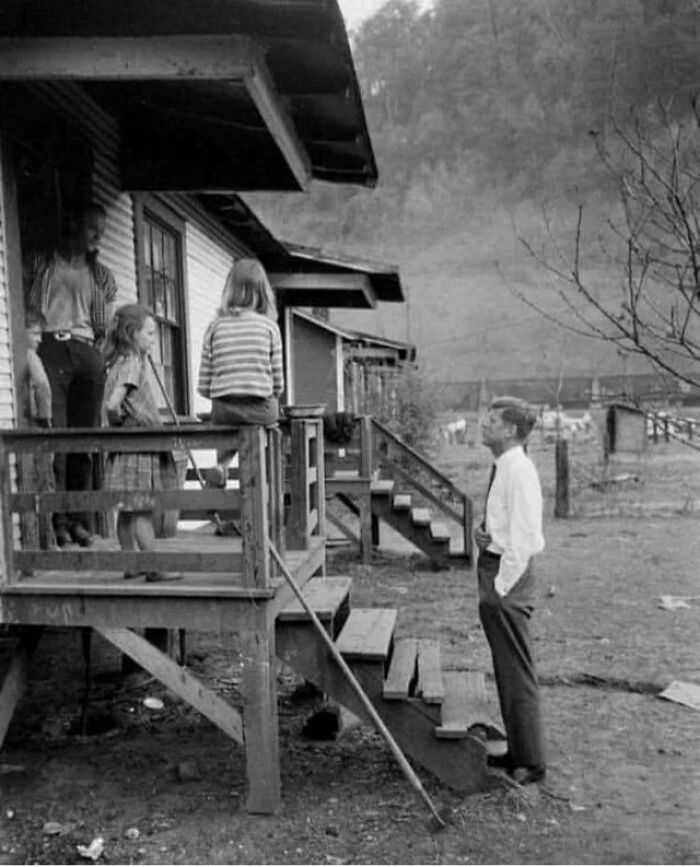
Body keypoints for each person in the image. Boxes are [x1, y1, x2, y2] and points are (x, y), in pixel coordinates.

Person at [27, 200, 118, 548]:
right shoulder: (41, 262)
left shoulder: (102, 275)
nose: (98, 236)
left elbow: (105, 324)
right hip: (50, 346)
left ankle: (80, 520)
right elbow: (28, 310)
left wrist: (98, 356)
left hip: (86, 349)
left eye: (103, 230)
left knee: (83, 441)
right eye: (92, 228)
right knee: (59, 440)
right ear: (74, 226)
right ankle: (58, 521)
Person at [474, 396, 546, 785]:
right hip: (496, 569)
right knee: (506, 669)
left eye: (492, 420)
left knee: (517, 671)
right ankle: (518, 750)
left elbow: (526, 538)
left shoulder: (520, 470)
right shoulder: (503, 467)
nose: (484, 425)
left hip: (508, 579)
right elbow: (504, 529)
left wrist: (500, 587)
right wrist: (483, 535)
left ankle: (532, 762)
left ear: (512, 430)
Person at [102, 304, 182, 583]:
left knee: (126, 511)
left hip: (123, 451)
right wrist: (120, 422)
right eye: (149, 333)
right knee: (142, 511)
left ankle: (130, 563)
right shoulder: (133, 364)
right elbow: (114, 404)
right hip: (137, 447)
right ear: (131, 334)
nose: (153, 339)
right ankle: (153, 566)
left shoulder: (118, 363)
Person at [197, 258, 284, 488]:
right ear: (263, 293)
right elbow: (277, 382)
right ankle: (264, 475)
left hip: (224, 409)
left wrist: (223, 395)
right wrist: (268, 393)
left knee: (227, 427)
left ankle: (221, 467)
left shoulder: (215, 326)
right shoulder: (269, 327)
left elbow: (204, 383)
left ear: (230, 291)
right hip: (260, 409)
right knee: (270, 421)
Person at [20, 309, 56, 549]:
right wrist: (46, 418)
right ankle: (47, 542)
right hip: (35, 424)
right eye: (35, 333)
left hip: (23, 425)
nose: (39, 339)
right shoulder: (30, 355)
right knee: (45, 483)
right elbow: (42, 384)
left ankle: (34, 544)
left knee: (29, 486)